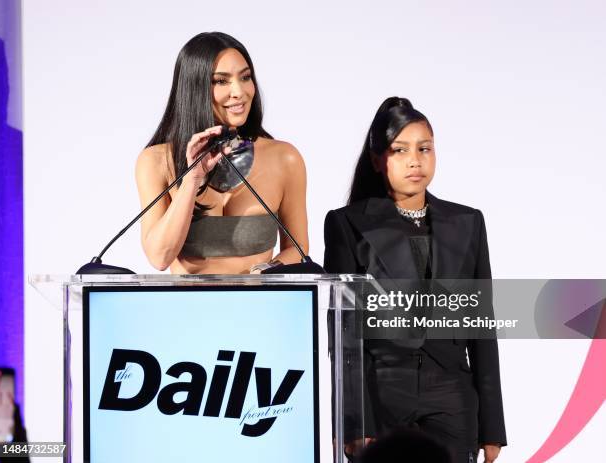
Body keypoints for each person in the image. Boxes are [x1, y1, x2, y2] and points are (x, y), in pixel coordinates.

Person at [323, 97, 506, 462]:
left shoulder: (468, 222)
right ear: (377, 160)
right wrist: (357, 422)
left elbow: (482, 327)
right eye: (400, 149)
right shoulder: (347, 223)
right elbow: (344, 335)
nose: (415, 160)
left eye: (425, 148)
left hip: (453, 395)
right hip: (383, 391)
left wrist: (492, 427)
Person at [136, 32, 308, 274]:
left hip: (259, 307)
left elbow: (298, 249)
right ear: (194, 88)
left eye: (245, 77)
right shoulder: (155, 161)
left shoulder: (284, 158)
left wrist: (265, 271)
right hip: (186, 309)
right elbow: (160, 257)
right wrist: (191, 180)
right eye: (221, 81)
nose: (239, 91)